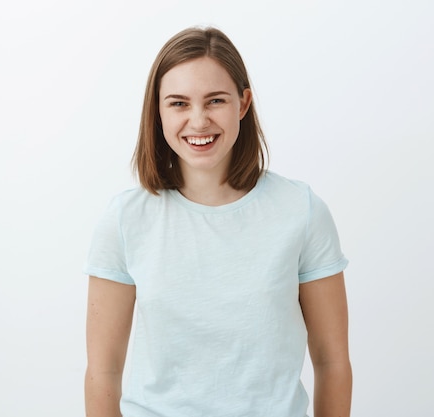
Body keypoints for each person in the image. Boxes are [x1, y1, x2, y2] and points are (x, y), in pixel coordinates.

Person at [84, 27, 352, 417]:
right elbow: (103, 372)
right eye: (178, 103)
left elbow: (332, 362)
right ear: (157, 111)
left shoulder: (301, 211)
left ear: (242, 104)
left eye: (215, 100)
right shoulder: (126, 219)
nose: (198, 120)